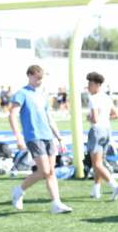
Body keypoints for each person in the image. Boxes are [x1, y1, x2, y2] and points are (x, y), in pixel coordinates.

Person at [9, 65, 73, 214]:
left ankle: (56, 203)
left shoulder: (42, 95)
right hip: (33, 136)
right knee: (44, 171)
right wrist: (18, 137)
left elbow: (49, 118)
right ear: (29, 76)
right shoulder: (22, 93)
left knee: (50, 172)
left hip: (48, 136)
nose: (39, 81)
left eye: (41, 79)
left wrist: (59, 138)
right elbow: (12, 114)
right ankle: (19, 190)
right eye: (37, 78)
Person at [85, 72, 118, 201]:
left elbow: (94, 119)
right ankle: (96, 189)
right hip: (107, 130)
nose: (88, 86)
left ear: (96, 85)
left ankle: (114, 185)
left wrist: (90, 117)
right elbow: (115, 115)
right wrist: (103, 117)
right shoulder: (106, 97)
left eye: (90, 84)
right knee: (98, 162)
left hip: (96, 131)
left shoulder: (93, 98)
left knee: (97, 164)